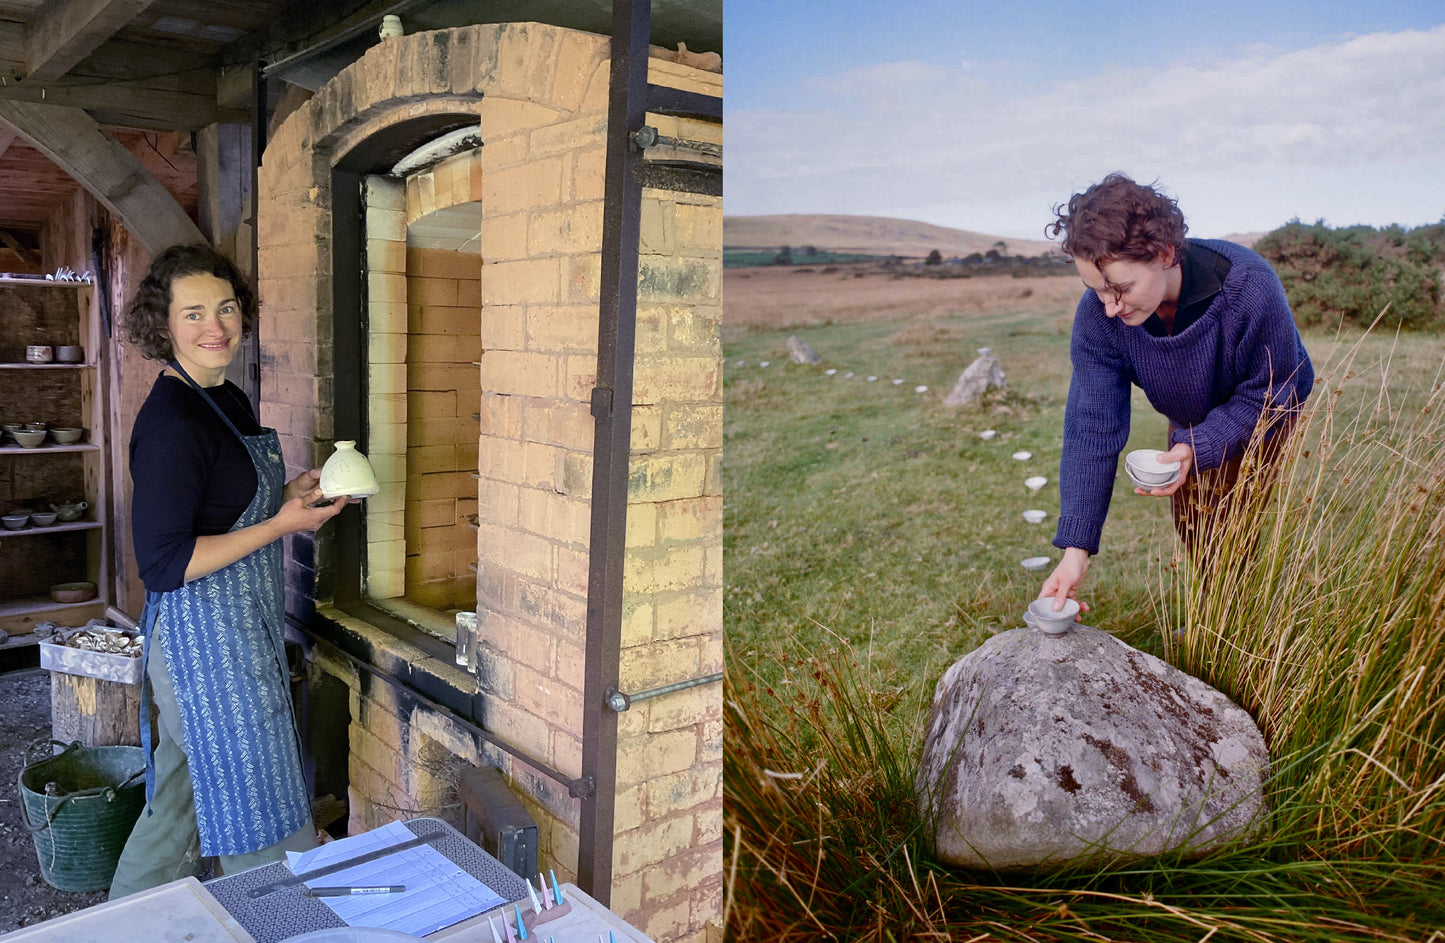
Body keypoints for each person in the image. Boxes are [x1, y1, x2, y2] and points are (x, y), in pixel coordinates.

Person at [109, 244, 347, 897]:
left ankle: (120, 926)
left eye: (225, 307)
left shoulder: (223, 397)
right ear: (163, 326)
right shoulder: (173, 423)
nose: (215, 326)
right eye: (193, 314)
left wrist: (293, 491)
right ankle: (283, 923)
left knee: (175, 814)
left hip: (239, 635)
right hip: (200, 656)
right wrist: (279, 526)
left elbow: (224, 504)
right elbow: (163, 562)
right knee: (264, 821)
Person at [1038, 174, 1313, 612]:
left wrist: (1201, 444)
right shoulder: (1099, 318)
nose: (1111, 306)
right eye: (1096, 290)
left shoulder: (1249, 287)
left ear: (1165, 254)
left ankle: (1241, 632)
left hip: (1264, 411)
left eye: (1122, 288)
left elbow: (1278, 388)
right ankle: (1219, 618)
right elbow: (1092, 427)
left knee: (1232, 527)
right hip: (1187, 418)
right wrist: (1076, 551)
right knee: (1193, 526)